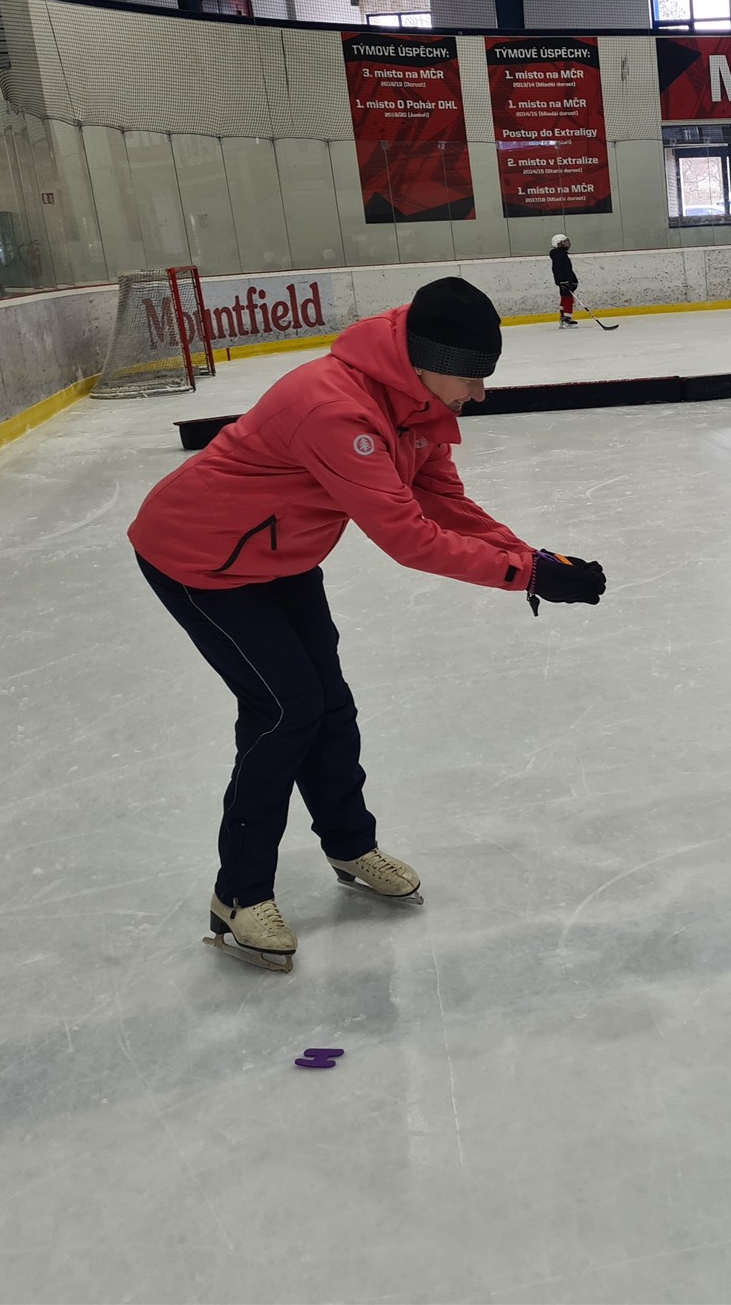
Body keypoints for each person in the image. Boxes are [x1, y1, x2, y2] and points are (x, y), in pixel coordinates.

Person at [128, 278, 608, 972]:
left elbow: (443, 502)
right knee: (284, 710)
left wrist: (531, 558)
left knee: (329, 703)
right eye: (471, 377)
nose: (479, 394)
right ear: (428, 363)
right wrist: (526, 577)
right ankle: (239, 895)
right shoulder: (334, 409)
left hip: (280, 555)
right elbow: (409, 538)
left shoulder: (417, 404)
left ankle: (350, 845)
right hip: (198, 557)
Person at [550, 233, 579, 328]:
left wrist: (572, 280)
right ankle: (566, 319)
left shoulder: (561, 254)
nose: (567, 244)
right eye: (564, 242)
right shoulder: (559, 255)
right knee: (568, 298)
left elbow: (567, 269)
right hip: (564, 282)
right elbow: (557, 270)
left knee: (565, 298)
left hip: (565, 281)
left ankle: (564, 318)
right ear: (558, 244)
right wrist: (563, 281)